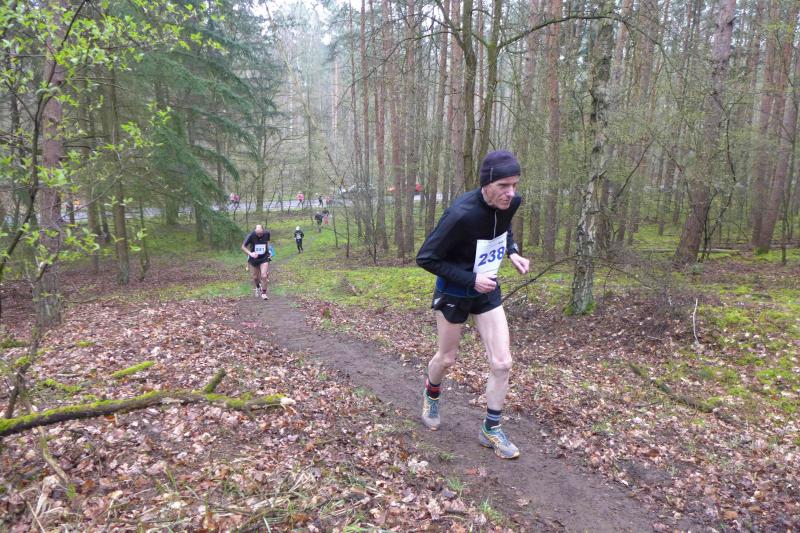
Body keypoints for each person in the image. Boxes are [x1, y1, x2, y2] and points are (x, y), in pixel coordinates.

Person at [415, 150, 530, 460]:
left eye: (515, 185)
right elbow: (426, 258)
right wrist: (470, 279)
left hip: (486, 289)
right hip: (454, 290)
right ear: (486, 184)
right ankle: (431, 393)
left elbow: (503, 229)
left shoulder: (511, 203)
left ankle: (490, 429)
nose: (511, 193)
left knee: (502, 363)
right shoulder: (460, 214)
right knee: (447, 359)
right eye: (504, 186)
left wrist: (512, 251)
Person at [241, 224, 272, 300]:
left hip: (264, 258)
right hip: (254, 259)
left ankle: (264, 293)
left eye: (260, 233)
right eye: (257, 233)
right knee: (255, 277)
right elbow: (243, 247)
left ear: (263, 230)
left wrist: (269, 250)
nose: (259, 235)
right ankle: (258, 287)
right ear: (255, 231)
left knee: (264, 276)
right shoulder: (251, 235)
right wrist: (250, 253)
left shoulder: (267, 233)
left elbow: (267, 242)